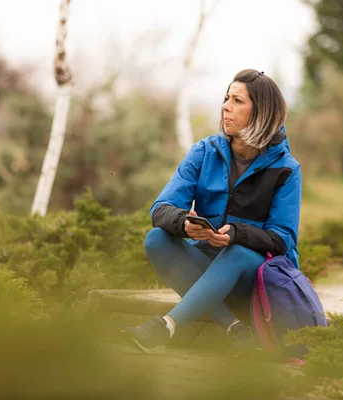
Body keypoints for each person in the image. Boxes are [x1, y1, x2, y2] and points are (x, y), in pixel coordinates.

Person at [121, 69, 302, 357]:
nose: (225, 106)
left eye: (237, 100)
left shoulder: (286, 169)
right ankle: (235, 328)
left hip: (255, 282)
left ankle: (165, 327)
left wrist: (236, 235)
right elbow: (160, 209)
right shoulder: (204, 152)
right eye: (226, 98)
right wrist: (184, 224)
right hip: (205, 266)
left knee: (238, 252)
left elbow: (283, 239)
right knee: (156, 238)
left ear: (262, 112)